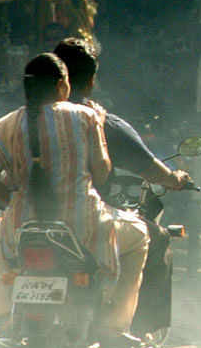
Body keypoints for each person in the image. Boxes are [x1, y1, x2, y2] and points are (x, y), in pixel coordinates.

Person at [0, 53, 150, 348]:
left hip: (22, 228)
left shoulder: (7, 124)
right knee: (141, 237)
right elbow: (102, 171)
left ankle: (5, 318)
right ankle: (113, 327)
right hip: (83, 225)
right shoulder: (85, 116)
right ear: (61, 86)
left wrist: (16, 200)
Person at [52, 37, 192, 332]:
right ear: (90, 81)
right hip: (86, 220)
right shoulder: (99, 122)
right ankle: (128, 330)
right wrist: (176, 178)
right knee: (152, 237)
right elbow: (146, 167)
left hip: (28, 221)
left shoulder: (23, 119)